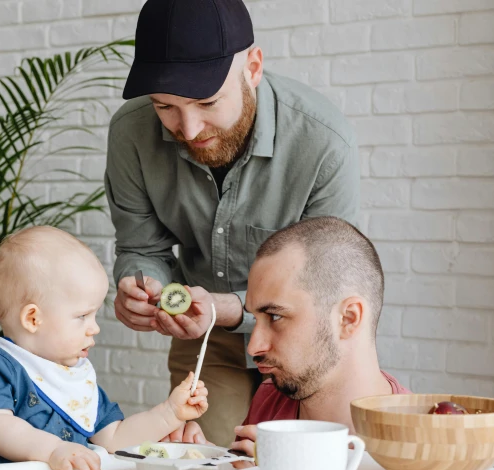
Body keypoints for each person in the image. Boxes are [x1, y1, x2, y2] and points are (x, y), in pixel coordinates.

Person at [106, 0, 360, 447]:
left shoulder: (323, 143)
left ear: (253, 67)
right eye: (165, 106)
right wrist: (140, 287)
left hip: (305, 336)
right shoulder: (131, 134)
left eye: (206, 101)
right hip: (204, 337)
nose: (187, 128)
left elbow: (327, 286)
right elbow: (141, 247)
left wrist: (227, 306)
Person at [0, 226, 209, 470]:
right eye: (82, 316)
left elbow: (114, 437)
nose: (94, 328)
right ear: (33, 318)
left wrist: (170, 413)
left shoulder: (75, 378)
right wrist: (53, 450)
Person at [228, 217, 410, 464]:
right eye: (254, 318)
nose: (253, 347)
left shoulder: (416, 439)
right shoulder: (270, 399)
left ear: (348, 319)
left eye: (275, 316)